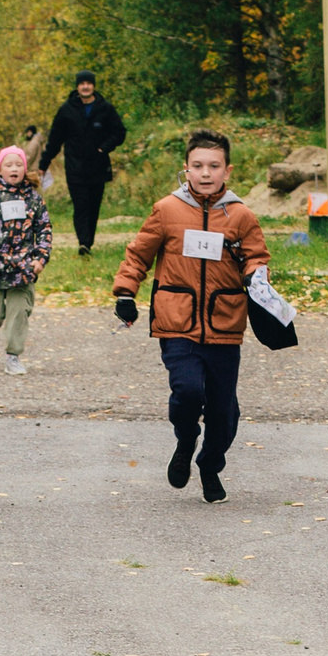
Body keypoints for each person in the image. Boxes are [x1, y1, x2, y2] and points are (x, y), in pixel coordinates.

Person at [112, 130, 268, 503]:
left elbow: (257, 256)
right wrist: (124, 292)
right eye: (197, 165)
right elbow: (139, 254)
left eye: (214, 166)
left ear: (227, 170)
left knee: (223, 414)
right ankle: (185, 440)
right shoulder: (167, 210)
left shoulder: (241, 215)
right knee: (187, 391)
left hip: (224, 323)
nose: (205, 173)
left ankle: (210, 464)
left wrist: (255, 276)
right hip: (176, 321)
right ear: (186, 168)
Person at [0, 144, 54, 374]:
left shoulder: (34, 199)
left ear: (24, 169)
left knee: (18, 312)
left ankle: (13, 356)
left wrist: (40, 258)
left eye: (18, 164)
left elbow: (44, 229)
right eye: (9, 164)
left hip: (24, 267)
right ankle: (1, 320)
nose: (14, 168)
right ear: (0, 169)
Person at [37, 71, 127, 257]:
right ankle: (83, 243)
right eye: (82, 83)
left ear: (93, 86)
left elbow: (119, 132)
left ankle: (88, 242)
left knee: (93, 206)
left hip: (98, 167)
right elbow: (55, 139)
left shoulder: (105, 108)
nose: (85, 86)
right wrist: (44, 163)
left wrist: (105, 147)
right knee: (81, 204)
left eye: (89, 83)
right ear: (77, 87)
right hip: (75, 167)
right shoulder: (67, 110)